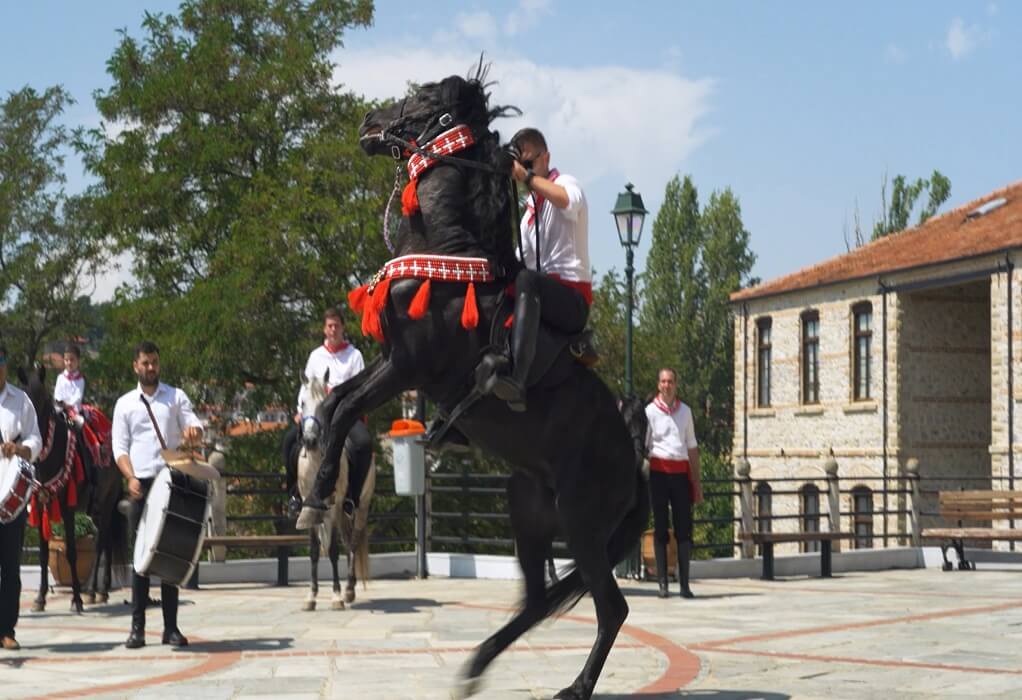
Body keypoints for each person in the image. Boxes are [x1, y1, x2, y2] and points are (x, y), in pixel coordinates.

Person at [489, 127, 592, 411]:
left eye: (529, 163)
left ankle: (518, 380)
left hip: (572, 298)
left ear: (546, 158)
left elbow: (568, 201)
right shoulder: (529, 216)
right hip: (543, 294)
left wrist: (527, 177)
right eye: (520, 166)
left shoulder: (566, 182)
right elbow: (520, 261)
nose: (523, 171)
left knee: (528, 281)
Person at [112, 341, 203, 649]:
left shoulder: (175, 397)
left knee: (170, 555)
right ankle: (137, 628)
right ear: (135, 366)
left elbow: (194, 424)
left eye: (154, 362)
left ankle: (171, 628)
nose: (151, 368)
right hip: (141, 483)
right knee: (140, 558)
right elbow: (119, 448)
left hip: (171, 481)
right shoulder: (125, 404)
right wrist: (130, 477)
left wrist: (194, 432)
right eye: (145, 363)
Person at [283, 307, 370, 517]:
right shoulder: (315, 356)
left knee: (364, 444)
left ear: (343, 328)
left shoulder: (354, 356)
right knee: (288, 442)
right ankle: (294, 494)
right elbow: (305, 387)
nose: (333, 330)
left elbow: (361, 386)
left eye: (336, 326)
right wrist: (300, 411)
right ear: (324, 329)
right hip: (317, 417)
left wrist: (337, 393)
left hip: (345, 415)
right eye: (329, 326)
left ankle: (351, 496)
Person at [645, 368, 702, 599]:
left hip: (680, 473)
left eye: (670, 381)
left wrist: (696, 481)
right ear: (658, 385)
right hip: (658, 472)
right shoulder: (649, 412)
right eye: (663, 381)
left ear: (676, 384)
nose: (667, 385)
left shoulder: (685, 412)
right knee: (660, 527)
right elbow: (645, 447)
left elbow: (692, 446)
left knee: (684, 528)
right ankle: (663, 584)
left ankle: (685, 584)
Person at [0, 345, 43, 651]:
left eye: (0, 361)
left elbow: (36, 438)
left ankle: (7, 629)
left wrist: (21, 449)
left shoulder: (21, 400)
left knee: (10, 568)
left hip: (12, 498)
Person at [53, 344, 85, 413]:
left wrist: (68, 404)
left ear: (78, 361)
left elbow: (78, 397)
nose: (69, 363)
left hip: (74, 410)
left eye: (72, 360)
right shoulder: (60, 377)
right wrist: (61, 402)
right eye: (66, 360)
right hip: (60, 409)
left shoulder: (80, 379)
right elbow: (57, 394)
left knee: (80, 419)